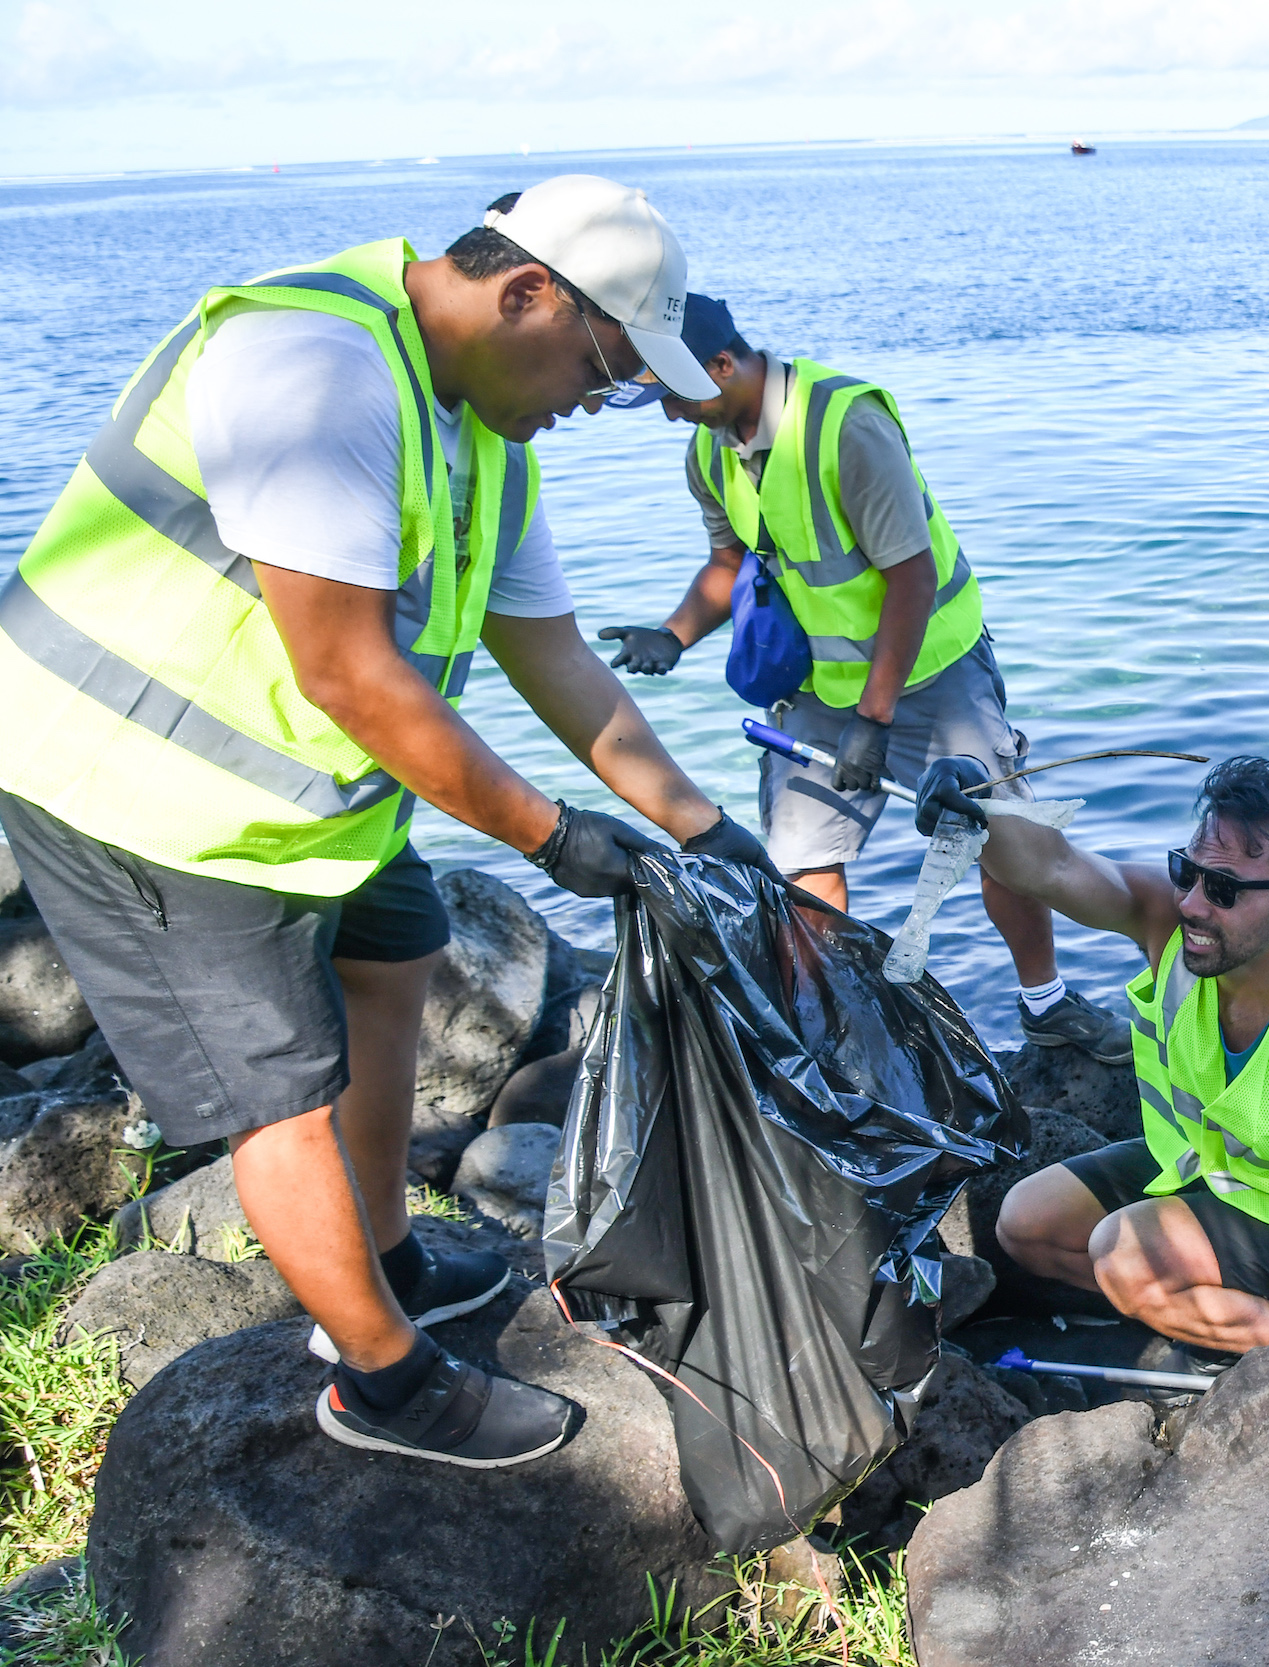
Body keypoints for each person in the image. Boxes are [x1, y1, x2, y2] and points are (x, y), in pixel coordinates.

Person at [0, 176, 772, 1468]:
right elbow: (350, 670)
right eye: (606, 363)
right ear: (525, 292)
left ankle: (391, 1251)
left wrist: (699, 829)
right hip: (141, 791)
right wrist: (548, 835)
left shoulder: (481, 433)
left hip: (301, 807)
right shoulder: (319, 369)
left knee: (395, 945)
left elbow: (555, 659)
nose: (601, 400)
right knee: (278, 1085)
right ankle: (382, 1378)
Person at [594, 297, 1129, 1063]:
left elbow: (908, 575)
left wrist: (874, 721)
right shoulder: (710, 451)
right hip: (819, 686)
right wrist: (673, 634)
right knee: (801, 857)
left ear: (724, 364)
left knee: (1007, 843)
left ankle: (1045, 1003)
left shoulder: (847, 425)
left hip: (935, 673)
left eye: (676, 393)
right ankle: (828, 1024)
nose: (671, 413)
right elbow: (729, 564)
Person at [916, 753, 1269, 1359]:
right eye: (1185, 873)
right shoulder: (1165, 919)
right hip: (1209, 1170)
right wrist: (982, 802)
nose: (1192, 905)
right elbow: (1051, 865)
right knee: (1025, 1225)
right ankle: (1209, 1310)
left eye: (1222, 889)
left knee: (1122, 1252)